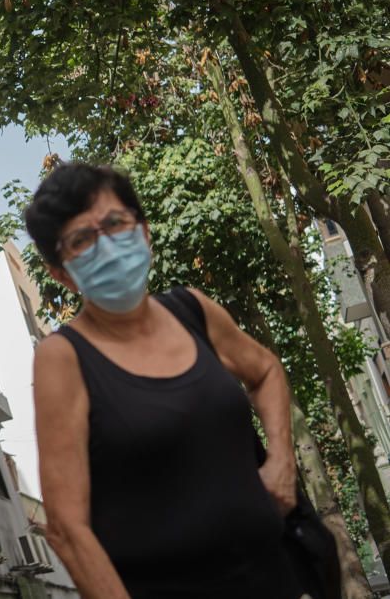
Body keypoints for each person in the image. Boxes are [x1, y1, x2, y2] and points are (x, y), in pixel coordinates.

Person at [27, 163, 300, 599]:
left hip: (277, 578)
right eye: (81, 240)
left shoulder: (193, 310)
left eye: (115, 223)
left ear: (144, 232)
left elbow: (266, 370)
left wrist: (282, 461)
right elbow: (66, 529)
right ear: (61, 273)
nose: (108, 245)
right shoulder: (62, 358)